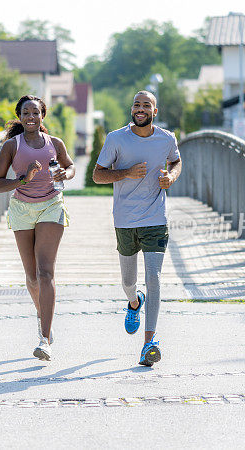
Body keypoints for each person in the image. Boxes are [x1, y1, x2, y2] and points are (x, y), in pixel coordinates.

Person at [92, 90, 182, 366]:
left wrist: (171, 176)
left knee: (153, 278)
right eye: (136, 104)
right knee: (128, 282)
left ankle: (149, 344)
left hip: (155, 218)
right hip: (125, 220)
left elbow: (176, 162)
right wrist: (125, 173)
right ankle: (134, 302)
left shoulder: (166, 139)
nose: (140, 109)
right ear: (132, 109)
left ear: (155, 111)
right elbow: (97, 175)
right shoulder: (116, 138)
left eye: (146, 105)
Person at [0, 95, 75, 361]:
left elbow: (70, 165)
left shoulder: (55, 143)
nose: (30, 117)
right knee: (32, 278)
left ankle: (45, 338)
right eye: (25, 113)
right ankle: (42, 314)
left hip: (51, 204)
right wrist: (22, 179)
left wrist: (66, 174)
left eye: (35, 113)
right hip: (21, 209)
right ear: (20, 116)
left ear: (42, 116)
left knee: (45, 272)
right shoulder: (11, 146)